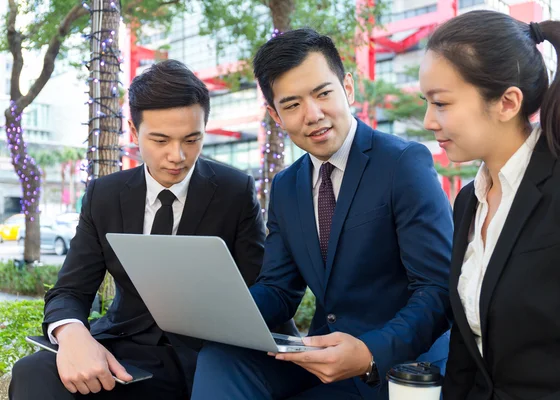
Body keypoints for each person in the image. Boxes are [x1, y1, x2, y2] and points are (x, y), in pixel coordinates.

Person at [191, 28, 453, 400]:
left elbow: (437, 288)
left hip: (396, 367)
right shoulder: (286, 185)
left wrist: (369, 352)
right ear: (274, 114)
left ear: (348, 87)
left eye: (323, 93)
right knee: (222, 358)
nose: (312, 115)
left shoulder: (402, 164)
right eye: (292, 104)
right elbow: (279, 289)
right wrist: (224, 313)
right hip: (320, 358)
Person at [9, 59, 266, 399]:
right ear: (133, 131)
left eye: (192, 139)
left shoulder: (234, 191)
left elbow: (262, 290)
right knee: (32, 372)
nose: (177, 156)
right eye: (160, 140)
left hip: (206, 358)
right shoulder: (105, 194)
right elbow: (69, 291)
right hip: (123, 347)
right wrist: (72, 335)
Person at [418, 9, 560, 400]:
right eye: (426, 102)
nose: (428, 120)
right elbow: (467, 354)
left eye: (442, 103)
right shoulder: (469, 201)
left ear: (507, 102)